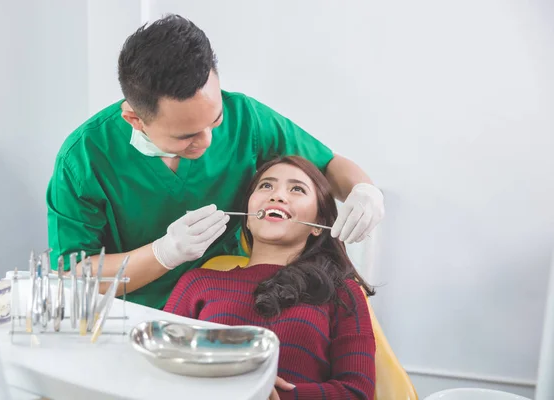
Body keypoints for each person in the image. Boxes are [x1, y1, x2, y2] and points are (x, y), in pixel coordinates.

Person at [46, 14, 385, 309]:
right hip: (138, 318)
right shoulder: (85, 158)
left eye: (215, 120)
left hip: (231, 304)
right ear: (136, 119)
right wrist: (163, 254)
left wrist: (364, 190)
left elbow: (327, 166)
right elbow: (73, 275)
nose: (207, 141)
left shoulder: (246, 119)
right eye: (186, 136)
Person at [164, 156, 376, 400]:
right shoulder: (197, 282)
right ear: (247, 217)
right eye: (266, 186)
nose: (277, 196)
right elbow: (160, 371)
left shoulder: (341, 292)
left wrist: (272, 395)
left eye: (297, 189)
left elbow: (357, 392)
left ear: (317, 225)